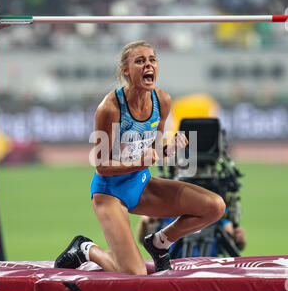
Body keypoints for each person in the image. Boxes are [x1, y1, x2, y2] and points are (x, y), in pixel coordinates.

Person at [54, 40, 226, 275]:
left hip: (141, 185)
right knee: (136, 275)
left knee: (215, 206)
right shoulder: (110, 108)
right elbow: (102, 166)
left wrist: (169, 148)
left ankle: (160, 243)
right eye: (140, 61)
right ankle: (86, 249)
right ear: (125, 69)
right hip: (110, 193)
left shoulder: (162, 101)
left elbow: (153, 149)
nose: (149, 65)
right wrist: (140, 163)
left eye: (152, 60)